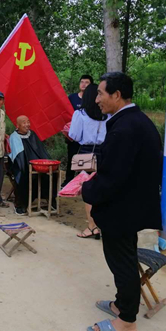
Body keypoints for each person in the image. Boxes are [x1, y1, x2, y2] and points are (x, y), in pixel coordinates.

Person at [81, 72, 162, 331]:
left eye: (100, 94)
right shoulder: (137, 121)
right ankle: (121, 304)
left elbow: (112, 177)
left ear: (116, 95)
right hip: (131, 205)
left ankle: (126, 321)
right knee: (124, 258)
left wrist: (86, 189)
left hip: (122, 210)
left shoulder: (125, 129)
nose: (97, 99)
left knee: (122, 262)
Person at [68, 83, 109, 240]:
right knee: (103, 189)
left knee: (88, 190)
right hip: (104, 154)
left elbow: (74, 135)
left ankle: (92, 226)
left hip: (86, 154)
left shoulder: (80, 114)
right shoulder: (107, 115)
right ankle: (103, 225)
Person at [9, 115, 58, 216]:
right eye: (24, 123)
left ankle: (51, 199)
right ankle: (21, 204)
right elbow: (17, 157)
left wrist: (46, 163)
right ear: (17, 125)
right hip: (22, 165)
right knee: (24, 175)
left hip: (37, 163)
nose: (27, 125)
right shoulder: (14, 137)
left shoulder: (33, 134)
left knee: (51, 173)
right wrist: (26, 165)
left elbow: (41, 151)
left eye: (28, 122)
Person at [63, 74, 93, 186]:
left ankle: (83, 182)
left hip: (87, 136)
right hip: (73, 134)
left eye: (87, 83)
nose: (84, 84)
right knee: (72, 156)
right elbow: (65, 114)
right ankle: (68, 180)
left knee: (85, 158)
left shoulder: (92, 99)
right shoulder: (72, 97)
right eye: (82, 82)